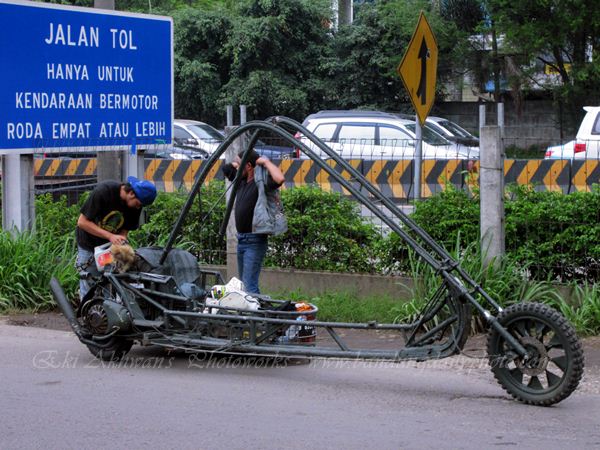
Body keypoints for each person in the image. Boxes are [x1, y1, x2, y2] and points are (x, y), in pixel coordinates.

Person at [75, 176, 157, 300]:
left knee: (111, 282)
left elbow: (125, 229)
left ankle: (108, 309)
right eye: (138, 204)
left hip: (109, 246)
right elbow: (82, 222)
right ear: (131, 193)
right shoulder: (104, 192)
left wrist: (121, 242)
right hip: (88, 242)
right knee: (89, 281)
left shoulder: (136, 205)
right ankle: (87, 309)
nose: (138, 208)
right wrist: (110, 236)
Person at [222, 150, 285, 294]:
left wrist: (266, 162)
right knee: (244, 285)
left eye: (239, 164)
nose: (236, 166)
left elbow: (280, 179)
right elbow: (225, 169)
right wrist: (238, 162)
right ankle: (250, 307)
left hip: (255, 240)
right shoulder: (241, 181)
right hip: (242, 239)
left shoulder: (261, 182)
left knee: (249, 285)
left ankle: (255, 308)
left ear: (249, 166)